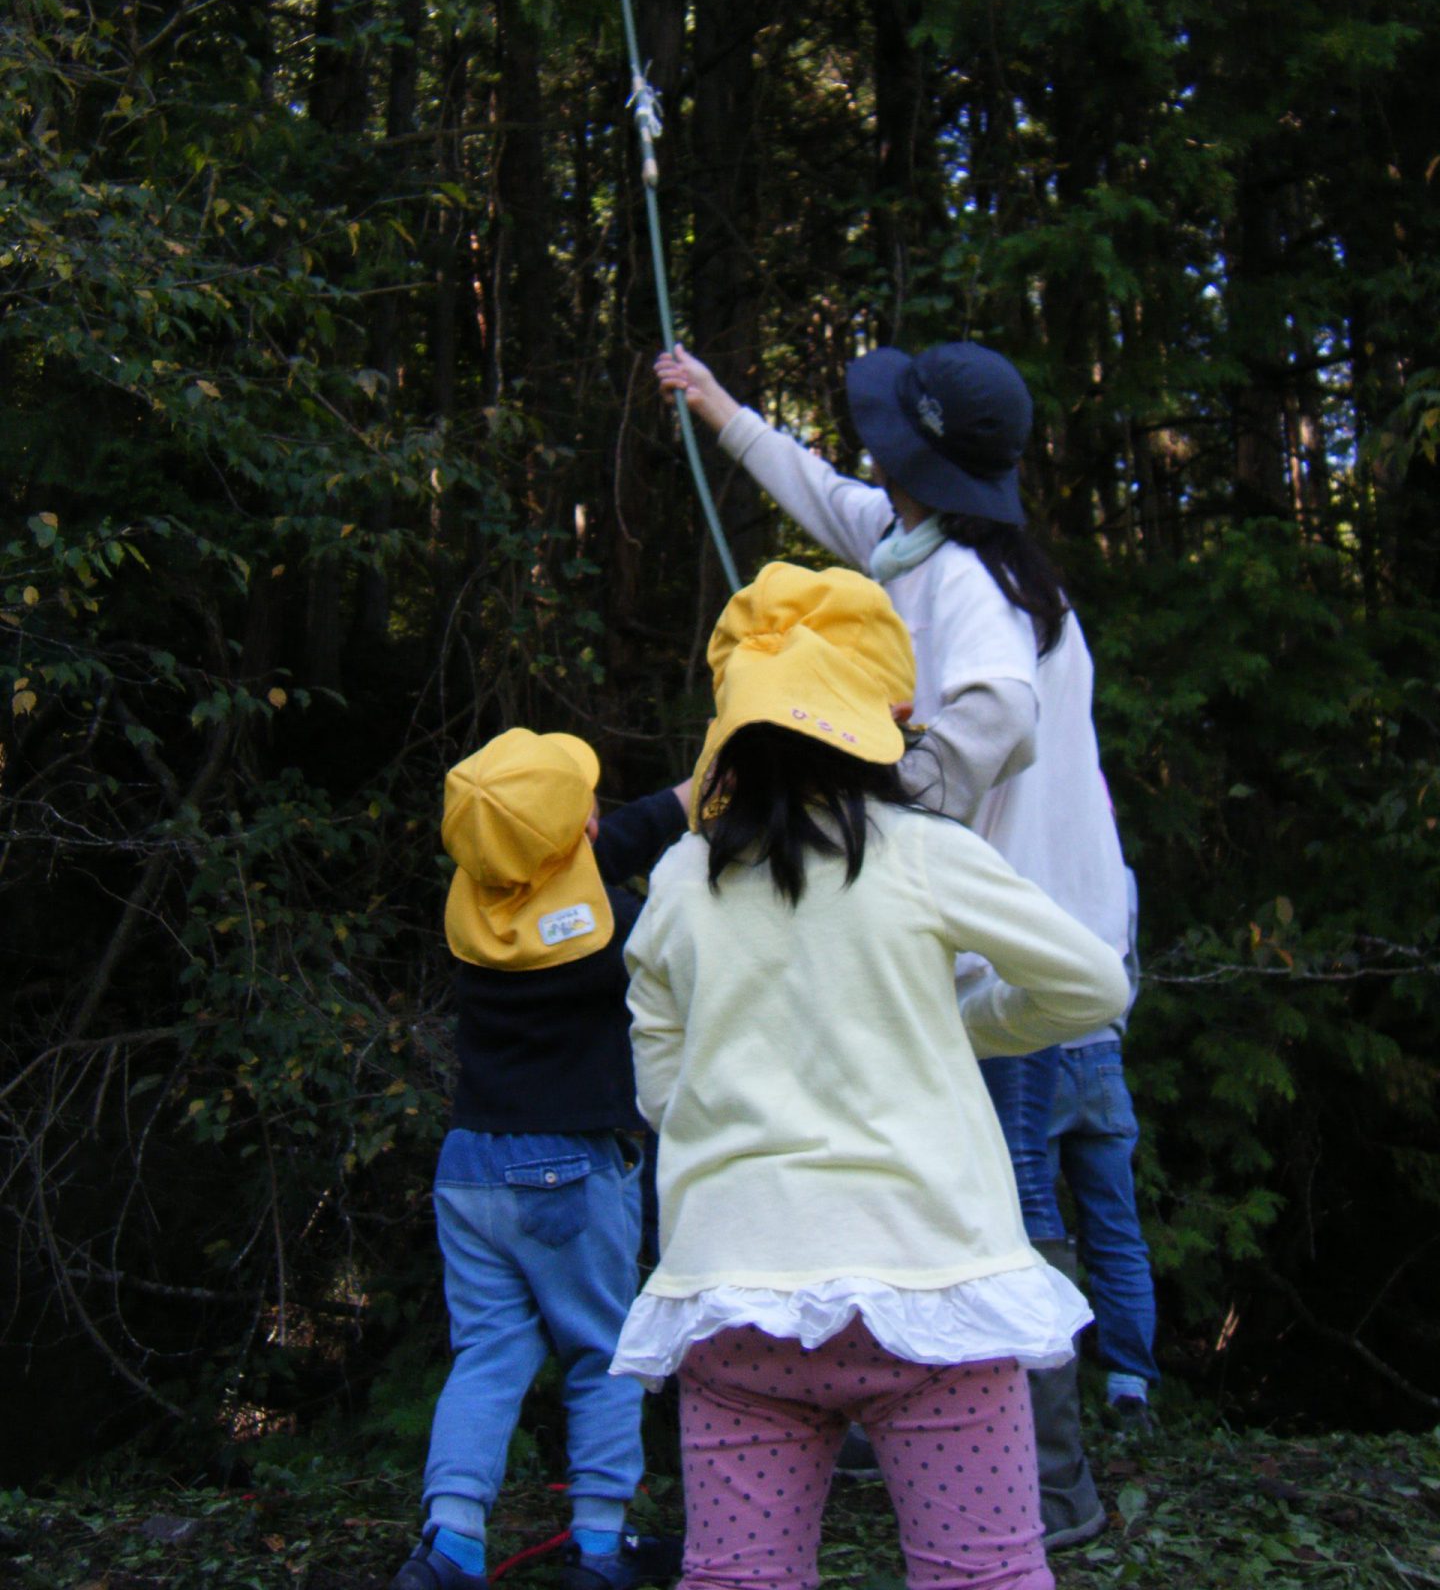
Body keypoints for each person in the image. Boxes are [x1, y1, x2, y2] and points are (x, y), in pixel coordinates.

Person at [653, 338, 1130, 1547]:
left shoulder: (967, 581)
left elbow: (997, 710)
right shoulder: (914, 542)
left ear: (920, 463)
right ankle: (912, 1412)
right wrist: (717, 407)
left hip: (1011, 942)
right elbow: (822, 494)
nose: (870, 461)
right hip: (994, 931)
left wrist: (885, 805)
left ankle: (1049, 1485)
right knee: (965, 1181)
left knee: (1007, 1201)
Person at [390, 729, 688, 1590]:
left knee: (487, 1352)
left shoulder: (480, 897)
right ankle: (600, 1546)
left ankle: (449, 1542)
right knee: (603, 1353)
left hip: (469, 1164)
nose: (599, 815)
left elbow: (599, 848)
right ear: (575, 832)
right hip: (566, 1167)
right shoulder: (616, 931)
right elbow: (647, 902)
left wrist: (693, 790)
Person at [1046, 868, 1159, 1432]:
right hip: (1103, 1057)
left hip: (1034, 1056)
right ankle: (1128, 1388)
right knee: (1117, 1231)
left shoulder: (1023, 857)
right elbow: (1126, 965)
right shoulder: (1118, 874)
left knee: (1032, 1225)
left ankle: (1046, 1388)